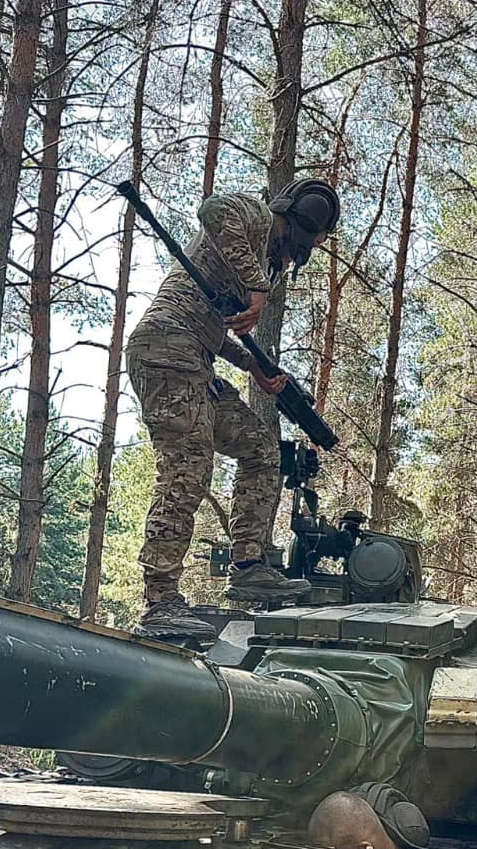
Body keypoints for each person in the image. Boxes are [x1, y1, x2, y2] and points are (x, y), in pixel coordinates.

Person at [127, 179, 343, 639]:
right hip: (166, 348)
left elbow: (212, 327)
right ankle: (160, 601)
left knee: (261, 448)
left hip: (195, 356)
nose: (291, 260)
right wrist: (257, 287)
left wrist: (253, 366)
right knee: (187, 469)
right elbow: (213, 209)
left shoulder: (256, 257)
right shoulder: (255, 218)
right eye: (300, 248)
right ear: (297, 225)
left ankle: (248, 565)